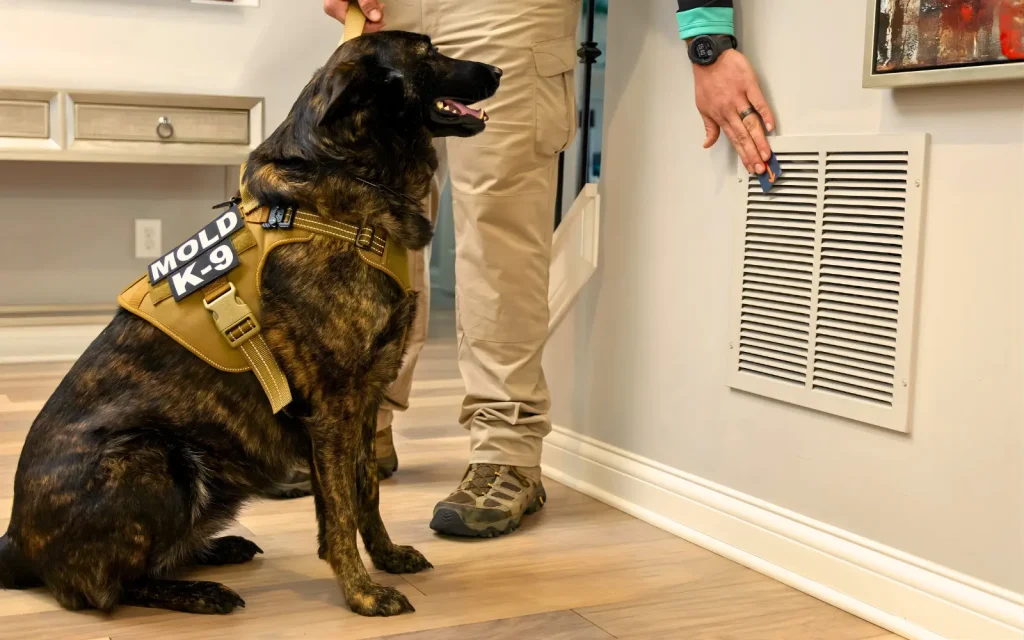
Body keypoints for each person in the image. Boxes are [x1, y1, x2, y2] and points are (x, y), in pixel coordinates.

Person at [286, 0, 776, 537]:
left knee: (498, 225)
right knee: (364, 219)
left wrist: (707, 38)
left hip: (506, 12)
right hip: (388, 10)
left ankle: (506, 450)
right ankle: (359, 429)